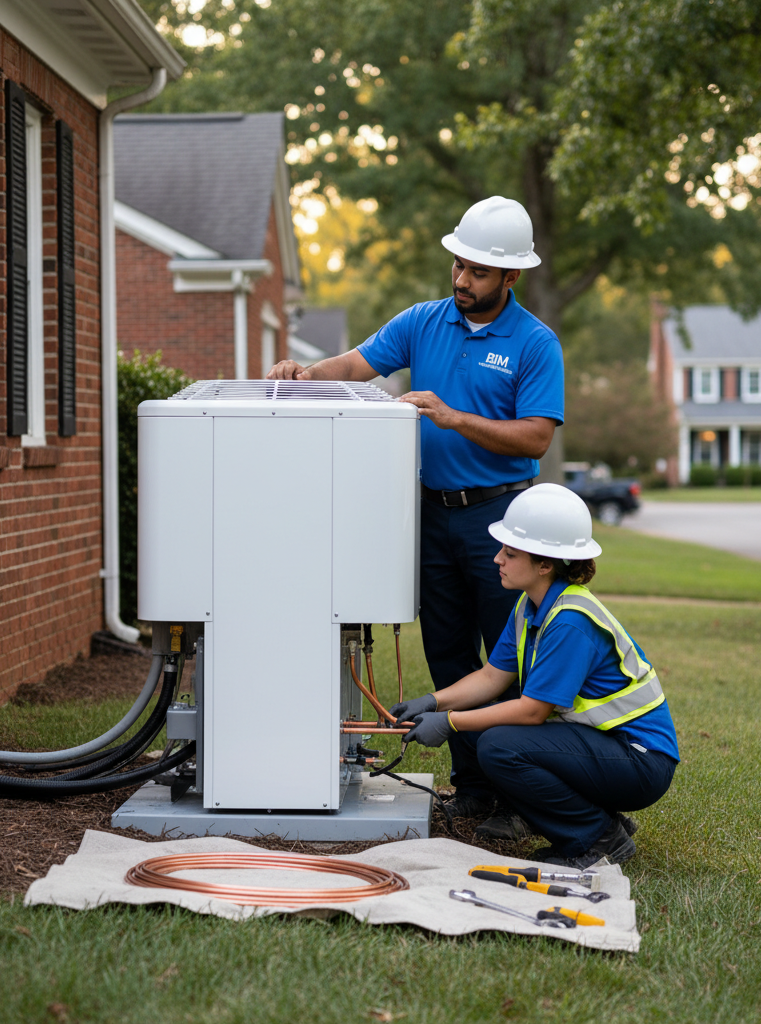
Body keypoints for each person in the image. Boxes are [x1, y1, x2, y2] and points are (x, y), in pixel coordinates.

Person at [268, 197, 564, 834]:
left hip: (503, 521)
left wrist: (455, 418)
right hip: (430, 518)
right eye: (458, 266)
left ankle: (515, 797)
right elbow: (354, 365)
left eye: (478, 272)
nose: (461, 280)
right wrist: (304, 373)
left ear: (511, 277)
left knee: (508, 660)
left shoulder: (536, 343)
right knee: (449, 654)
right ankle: (475, 789)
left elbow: (538, 437)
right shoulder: (423, 322)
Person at [388, 484, 680, 870]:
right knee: (486, 733)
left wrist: (450, 723)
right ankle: (602, 822)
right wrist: (433, 701)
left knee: (499, 746)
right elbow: (492, 677)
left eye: (510, 553)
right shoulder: (531, 606)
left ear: (545, 564)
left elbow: (531, 713)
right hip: (612, 747)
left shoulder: (570, 621)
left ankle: (598, 837)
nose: (497, 560)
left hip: (641, 762)